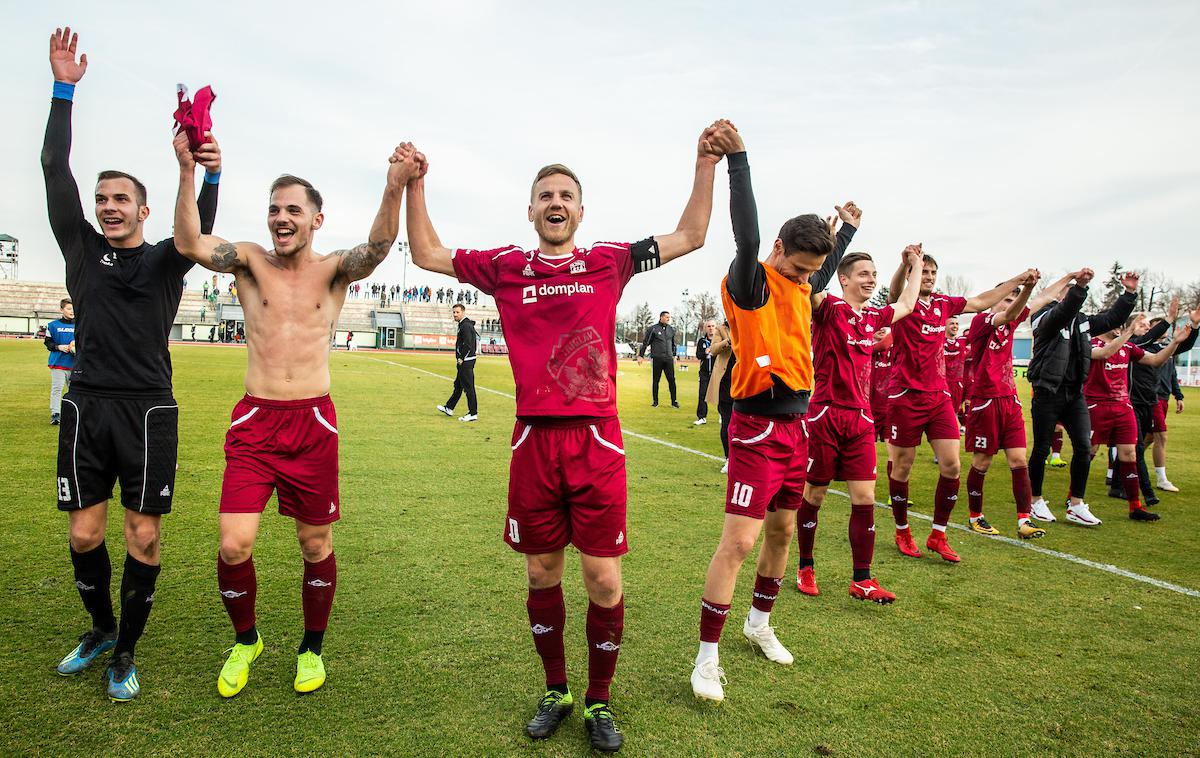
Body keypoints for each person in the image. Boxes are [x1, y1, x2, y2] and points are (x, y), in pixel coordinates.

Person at [406, 121, 724, 752]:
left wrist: (704, 163)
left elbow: (691, 235)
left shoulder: (608, 261)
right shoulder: (505, 267)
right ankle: (556, 689)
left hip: (596, 442)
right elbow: (426, 254)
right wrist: (417, 184)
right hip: (533, 444)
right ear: (530, 211)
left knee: (604, 581)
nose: (555, 204)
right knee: (541, 574)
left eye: (565, 196)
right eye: (545, 196)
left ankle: (599, 699)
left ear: (581, 210)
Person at [173, 132, 412, 696]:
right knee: (233, 543)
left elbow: (378, 248)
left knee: (315, 545)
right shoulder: (249, 262)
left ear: (316, 219)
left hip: (312, 425)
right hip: (255, 421)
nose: (281, 219)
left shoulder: (333, 271)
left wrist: (393, 186)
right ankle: (246, 639)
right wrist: (188, 171)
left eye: (292, 210)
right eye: (274, 209)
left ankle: (311, 648)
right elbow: (188, 243)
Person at [42, 27, 221, 702]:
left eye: (121, 199)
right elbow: (53, 169)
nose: (109, 206)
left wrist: (206, 171)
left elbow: (197, 229)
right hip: (86, 403)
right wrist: (63, 91)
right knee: (85, 530)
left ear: (142, 210)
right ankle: (99, 628)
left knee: (143, 536)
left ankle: (125, 652)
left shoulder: (166, 257)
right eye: (103, 198)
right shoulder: (81, 250)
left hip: (148, 408)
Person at [691, 122, 860, 704]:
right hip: (756, 426)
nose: (808, 282)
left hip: (798, 429)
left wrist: (851, 228)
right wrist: (739, 159)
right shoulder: (753, 281)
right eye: (799, 268)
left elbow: (826, 265)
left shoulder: (803, 280)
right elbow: (746, 235)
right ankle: (706, 658)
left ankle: (759, 623)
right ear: (779, 252)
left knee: (783, 532)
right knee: (738, 543)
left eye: (815, 273)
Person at [883, 253, 1035, 562]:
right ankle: (902, 529)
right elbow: (895, 290)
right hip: (904, 396)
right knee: (902, 466)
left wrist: (1018, 280)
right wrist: (904, 265)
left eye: (932, 271)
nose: (929, 276)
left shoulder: (943, 304)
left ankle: (938, 534)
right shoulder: (905, 303)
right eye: (923, 271)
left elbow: (980, 301)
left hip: (939, 397)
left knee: (951, 465)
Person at [793, 247, 923, 602]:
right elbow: (810, 285)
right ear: (844, 278)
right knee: (815, 494)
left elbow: (908, 305)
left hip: (861, 419)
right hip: (825, 414)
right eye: (863, 274)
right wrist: (832, 243)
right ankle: (805, 565)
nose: (871, 280)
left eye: (874, 274)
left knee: (865, 497)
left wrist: (917, 266)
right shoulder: (829, 308)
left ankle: (862, 579)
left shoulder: (874, 318)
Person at [962, 272, 1076, 539]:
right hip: (985, 402)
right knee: (982, 461)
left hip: (1010, 401)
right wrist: (1024, 290)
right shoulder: (981, 322)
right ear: (993, 302)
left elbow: (1044, 297)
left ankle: (1024, 520)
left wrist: (1069, 277)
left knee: (1018, 460)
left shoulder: (1010, 324)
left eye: (1012, 298)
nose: (1008, 302)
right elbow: (1011, 313)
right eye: (1004, 298)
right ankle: (975, 516)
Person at [1025, 270, 1138, 524]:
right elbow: (1063, 312)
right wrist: (1079, 287)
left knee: (1084, 447)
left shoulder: (1082, 321)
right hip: (1047, 391)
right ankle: (1034, 500)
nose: (1075, 294)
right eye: (1070, 290)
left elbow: (1112, 318)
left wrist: (1129, 293)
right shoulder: (1043, 317)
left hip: (1075, 393)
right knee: (1042, 448)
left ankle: (1076, 503)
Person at [1084, 315, 1192, 522]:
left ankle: (1135, 507)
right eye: (1116, 322)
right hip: (1096, 405)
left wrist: (1176, 343)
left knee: (1130, 454)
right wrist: (1128, 332)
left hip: (1123, 406)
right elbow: (1106, 352)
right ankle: (1074, 497)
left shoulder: (1128, 348)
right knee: (1089, 450)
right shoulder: (1089, 344)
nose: (1119, 326)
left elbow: (1156, 360)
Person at [1153, 324, 1189, 491]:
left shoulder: (1169, 349)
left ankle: (1121, 464)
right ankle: (1162, 479)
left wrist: (1178, 396)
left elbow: (1172, 374)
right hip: (1152, 398)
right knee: (1161, 436)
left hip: (1164, 398)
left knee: (1147, 438)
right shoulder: (1149, 348)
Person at [436, 303, 479, 421]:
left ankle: (473, 413)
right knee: (458, 386)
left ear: (463, 312)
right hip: (465, 361)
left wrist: (461, 358)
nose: (455, 314)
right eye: (454, 312)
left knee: (469, 388)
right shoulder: (463, 324)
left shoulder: (465, 325)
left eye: (457, 312)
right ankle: (449, 408)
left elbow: (468, 344)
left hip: (466, 362)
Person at [704, 321, 735, 472]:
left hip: (745, 382)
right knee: (727, 423)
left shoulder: (749, 324)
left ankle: (743, 460)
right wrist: (728, 341)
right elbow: (714, 349)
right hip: (726, 383)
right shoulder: (722, 329)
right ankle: (728, 458)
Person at [45, 297, 76, 424]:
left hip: (76, 364)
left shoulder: (80, 324)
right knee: (57, 389)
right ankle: (55, 414)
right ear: (61, 309)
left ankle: (74, 413)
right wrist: (59, 347)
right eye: (68, 308)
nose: (72, 311)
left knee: (74, 390)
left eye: (73, 308)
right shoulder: (53, 325)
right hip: (58, 363)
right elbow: (48, 343)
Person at [639, 311, 678, 407]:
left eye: (669, 317)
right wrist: (641, 355)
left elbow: (673, 344)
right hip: (657, 359)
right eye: (667, 317)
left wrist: (675, 355)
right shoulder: (653, 329)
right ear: (661, 317)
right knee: (656, 380)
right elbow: (646, 342)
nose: (668, 319)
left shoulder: (671, 329)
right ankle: (655, 402)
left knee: (672, 380)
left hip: (668, 359)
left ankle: (674, 402)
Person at [943, 319, 967, 427]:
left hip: (957, 384)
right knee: (944, 412)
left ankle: (955, 431)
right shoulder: (938, 341)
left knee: (954, 412)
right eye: (952, 323)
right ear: (945, 326)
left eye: (957, 324)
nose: (955, 326)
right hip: (941, 383)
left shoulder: (962, 341)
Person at [694, 320, 716, 425]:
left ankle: (722, 415)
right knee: (702, 394)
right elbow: (698, 355)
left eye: (713, 326)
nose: (711, 328)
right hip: (705, 372)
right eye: (709, 326)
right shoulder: (702, 341)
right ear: (705, 328)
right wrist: (705, 352)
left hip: (718, 372)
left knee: (721, 395)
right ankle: (702, 417)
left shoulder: (720, 340)